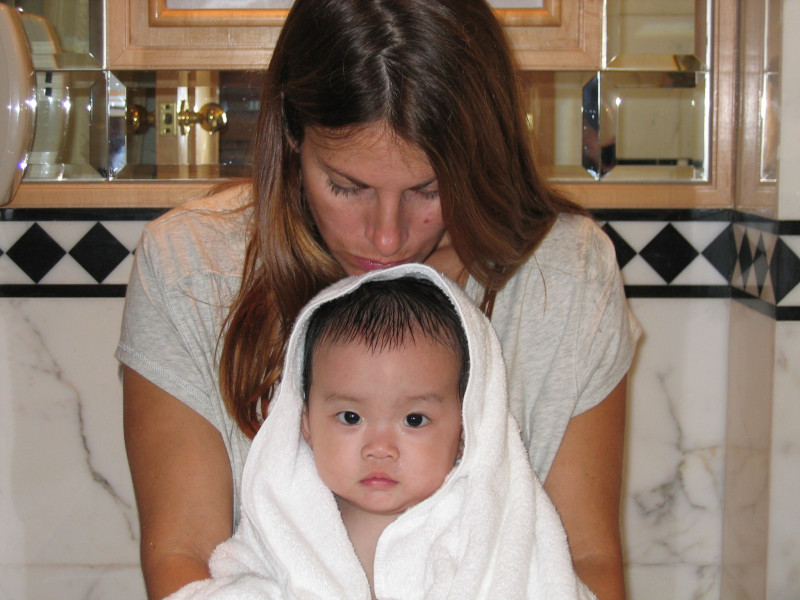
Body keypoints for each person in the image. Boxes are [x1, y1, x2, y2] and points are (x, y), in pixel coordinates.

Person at [117, 0, 641, 598]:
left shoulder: (568, 274)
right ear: (292, 135)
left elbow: (588, 562)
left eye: (429, 189)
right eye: (347, 186)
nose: (389, 238)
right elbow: (184, 558)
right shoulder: (189, 267)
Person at [166, 265, 595, 600]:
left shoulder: (482, 530)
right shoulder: (284, 527)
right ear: (304, 424)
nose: (380, 449)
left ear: (465, 430)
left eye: (414, 420)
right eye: (351, 417)